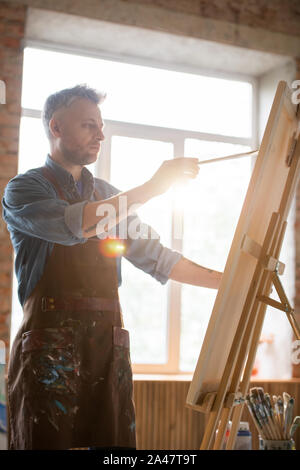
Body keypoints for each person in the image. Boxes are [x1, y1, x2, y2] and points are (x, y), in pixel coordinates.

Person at [2, 84, 222, 450]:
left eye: (101, 126)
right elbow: (79, 224)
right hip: (48, 352)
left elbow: (161, 258)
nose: (100, 135)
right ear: (56, 127)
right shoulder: (24, 191)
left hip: (107, 348)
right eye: (89, 125)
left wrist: (231, 283)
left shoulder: (109, 196)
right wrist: (152, 187)